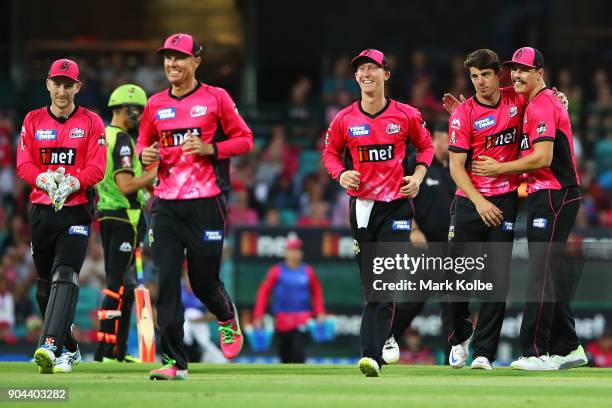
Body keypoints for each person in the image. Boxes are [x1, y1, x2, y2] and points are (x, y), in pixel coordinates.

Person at [137, 33, 253, 380]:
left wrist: (211, 150)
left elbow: (244, 139)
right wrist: (146, 154)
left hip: (206, 203)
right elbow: (145, 141)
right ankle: (175, 361)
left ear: (196, 62)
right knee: (168, 281)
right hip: (166, 205)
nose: (172, 64)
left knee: (202, 282)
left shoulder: (216, 98)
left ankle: (226, 315)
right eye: (168, 58)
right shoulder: (155, 103)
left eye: (180, 58)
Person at [472, 47, 586, 370]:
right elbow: (492, 93)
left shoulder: (543, 105)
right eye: (514, 70)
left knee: (540, 271)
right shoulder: (529, 98)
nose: (517, 76)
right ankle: (568, 347)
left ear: (539, 71)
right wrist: (466, 111)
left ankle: (537, 352)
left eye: (524, 70)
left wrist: (498, 169)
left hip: (556, 192)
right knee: (545, 268)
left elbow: (542, 159)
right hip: (542, 193)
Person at [322, 48, 434, 376]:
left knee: (385, 281)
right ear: (355, 77)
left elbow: (426, 147)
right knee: (372, 285)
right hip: (362, 208)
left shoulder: (406, 114)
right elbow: (330, 153)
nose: (366, 73)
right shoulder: (344, 119)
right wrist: (341, 173)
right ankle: (385, 339)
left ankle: (371, 355)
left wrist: (418, 177)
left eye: (373, 68)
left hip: (397, 207)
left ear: (386, 74)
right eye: (361, 69)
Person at [16, 58, 107, 373]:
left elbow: (98, 167)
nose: (63, 90)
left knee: (65, 275)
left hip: (76, 210)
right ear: (48, 85)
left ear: (78, 87)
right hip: (42, 210)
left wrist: (72, 182)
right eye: (58, 83)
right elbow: (24, 163)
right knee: (44, 288)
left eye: (69, 85)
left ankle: (50, 347)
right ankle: (70, 348)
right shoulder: (32, 120)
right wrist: (42, 179)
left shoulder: (92, 122)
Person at [94, 84, 157, 362]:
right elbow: (127, 185)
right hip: (124, 218)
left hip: (109, 216)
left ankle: (118, 351)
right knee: (117, 285)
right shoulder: (121, 141)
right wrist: (155, 173)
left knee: (126, 287)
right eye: (137, 110)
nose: (140, 116)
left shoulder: (103, 137)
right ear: (123, 108)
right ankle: (105, 351)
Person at [383, 122, 455, 364]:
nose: (453, 142)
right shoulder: (418, 161)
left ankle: (451, 361)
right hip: (424, 247)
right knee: (411, 304)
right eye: (449, 137)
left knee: (452, 306)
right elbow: (397, 192)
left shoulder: (456, 167)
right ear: (437, 136)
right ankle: (381, 342)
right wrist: (412, 227)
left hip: (451, 249)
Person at [252, 237, 325, 363]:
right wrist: (258, 316)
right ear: (286, 252)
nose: (294, 254)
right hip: (282, 321)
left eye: (297, 250)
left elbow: (317, 292)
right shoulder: (276, 271)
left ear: (301, 253)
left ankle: (301, 380)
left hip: (302, 319)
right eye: (291, 250)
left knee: (298, 352)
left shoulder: (307, 271)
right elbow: (263, 292)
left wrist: (320, 313)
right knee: (284, 355)